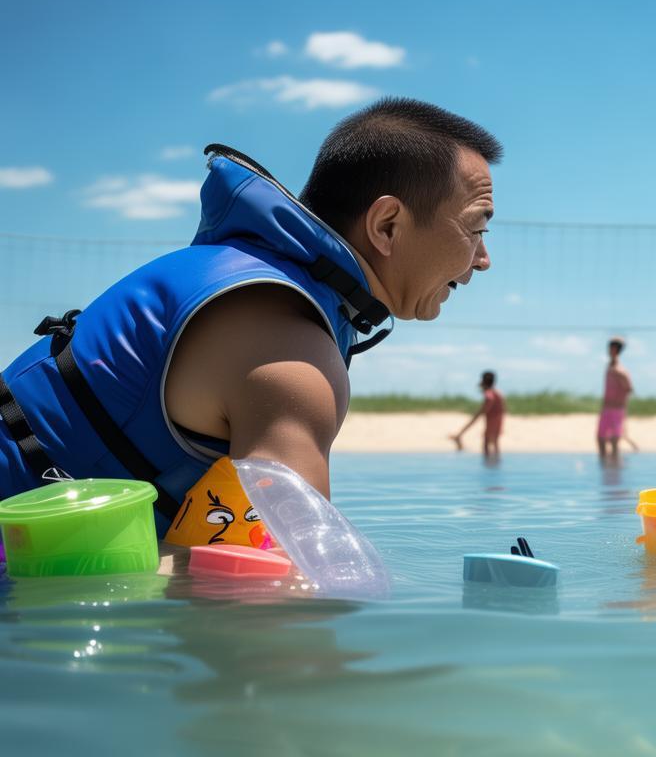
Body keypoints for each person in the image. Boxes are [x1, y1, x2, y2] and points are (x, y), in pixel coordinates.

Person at [0, 97, 502, 546]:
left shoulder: (248, 278)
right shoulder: (290, 351)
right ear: (387, 225)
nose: (482, 259)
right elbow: (277, 601)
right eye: (477, 227)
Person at [453, 371, 505, 457]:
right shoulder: (497, 392)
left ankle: (488, 463)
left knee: (487, 441)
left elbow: (489, 399)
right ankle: (495, 463)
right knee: (495, 441)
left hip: (493, 418)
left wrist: (483, 410)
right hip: (498, 417)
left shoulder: (489, 392)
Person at [597, 337, 633, 461]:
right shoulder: (609, 367)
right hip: (606, 409)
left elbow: (629, 389)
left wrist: (623, 408)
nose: (609, 350)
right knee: (600, 439)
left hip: (617, 410)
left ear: (616, 350)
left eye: (612, 348)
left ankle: (615, 468)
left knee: (614, 441)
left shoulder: (620, 371)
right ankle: (604, 469)